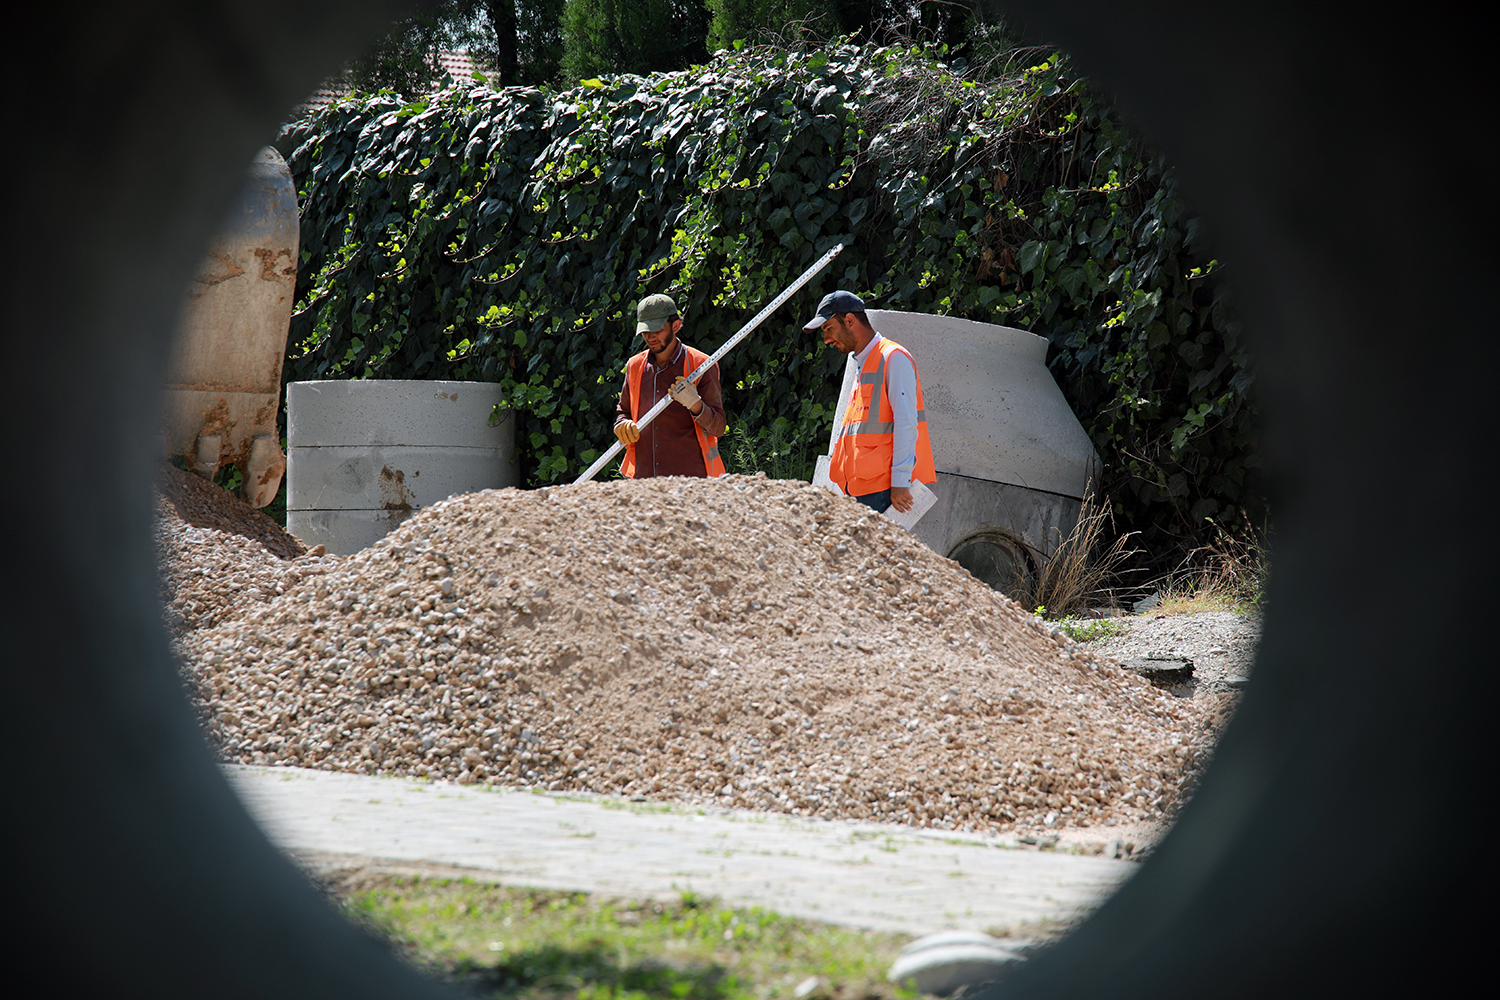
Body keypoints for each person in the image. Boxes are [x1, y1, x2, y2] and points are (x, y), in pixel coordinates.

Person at [804, 290, 936, 512]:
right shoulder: (863, 362)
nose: (826, 339)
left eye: (829, 329)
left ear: (850, 320)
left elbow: (906, 423)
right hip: (860, 489)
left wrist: (900, 483)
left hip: (883, 492)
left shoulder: (893, 357)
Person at [613, 293, 728, 478]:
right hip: (645, 480)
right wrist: (622, 424)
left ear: (676, 326)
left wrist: (696, 404)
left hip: (691, 481)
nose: (650, 336)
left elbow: (718, 427)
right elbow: (623, 412)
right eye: (645, 330)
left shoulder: (701, 365)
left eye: (657, 329)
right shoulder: (634, 366)